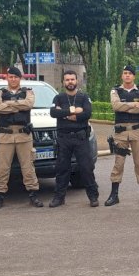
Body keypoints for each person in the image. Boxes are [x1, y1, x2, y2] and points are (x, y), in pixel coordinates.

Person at [0, 66, 42, 210]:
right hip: (5, 135)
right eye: (11, 77)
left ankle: (33, 194)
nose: (13, 79)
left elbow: (29, 104)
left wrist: (8, 104)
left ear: (20, 78)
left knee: (28, 167)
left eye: (16, 77)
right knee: (2, 167)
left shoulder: (28, 92)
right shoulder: (0, 92)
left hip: (23, 135)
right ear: (7, 78)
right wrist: (18, 105)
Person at [49, 70, 99, 208]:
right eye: (67, 80)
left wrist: (64, 114)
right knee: (62, 169)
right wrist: (73, 111)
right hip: (63, 139)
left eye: (72, 79)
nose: (70, 82)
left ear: (77, 81)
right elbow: (53, 112)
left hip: (80, 138)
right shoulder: (58, 98)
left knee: (86, 168)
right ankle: (59, 197)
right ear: (63, 82)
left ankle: (93, 196)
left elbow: (87, 113)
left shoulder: (83, 97)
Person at [105, 65, 139, 206]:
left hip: (137, 131)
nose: (127, 75)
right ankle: (114, 195)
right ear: (122, 76)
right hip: (121, 132)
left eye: (130, 73)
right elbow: (116, 106)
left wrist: (125, 105)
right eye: (125, 73)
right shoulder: (116, 91)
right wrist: (134, 104)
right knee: (118, 164)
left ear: (134, 76)